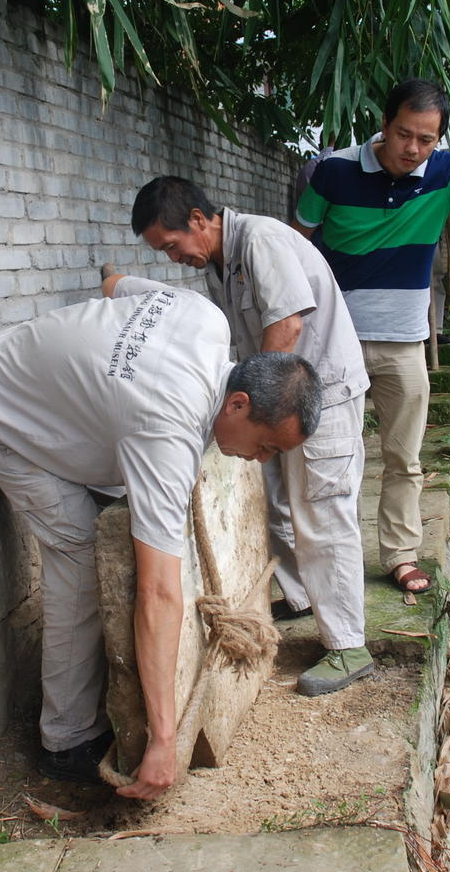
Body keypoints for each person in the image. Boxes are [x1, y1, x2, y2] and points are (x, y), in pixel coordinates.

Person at [0, 288, 322, 798]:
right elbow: (158, 593)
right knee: (81, 554)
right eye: (265, 446)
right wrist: (163, 739)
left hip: (33, 374)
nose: (261, 460)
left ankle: (94, 694)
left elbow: (118, 286)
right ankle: (65, 742)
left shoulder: (207, 317)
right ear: (237, 402)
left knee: (122, 519)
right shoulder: (166, 431)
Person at [294, 52, 450, 595]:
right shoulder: (332, 171)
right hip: (334, 345)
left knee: (404, 457)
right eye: (404, 134)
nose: (413, 149)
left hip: (406, 346)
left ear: (438, 139)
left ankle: (400, 555)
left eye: (426, 139)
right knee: (329, 456)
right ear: (384, 125)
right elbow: (296, 247)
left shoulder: (447, 172)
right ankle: (320, 563)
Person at [110, 176, 373, 697]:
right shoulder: (218, 263)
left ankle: (349, 646)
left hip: (315, 396)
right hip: (278, 402)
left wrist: (255, 409)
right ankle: (302, 602)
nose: (172, 258)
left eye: (171, 245)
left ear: (199, 221)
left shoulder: (259, 240)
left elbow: (288, 327)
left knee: (322, 511)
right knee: (278, 503)